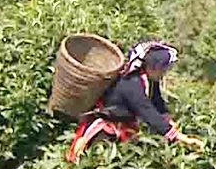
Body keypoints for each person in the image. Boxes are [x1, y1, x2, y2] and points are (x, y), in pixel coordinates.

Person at [65, 40, 204, 162]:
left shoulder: (150, 80)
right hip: (106, 131)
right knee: (99, 166)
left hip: (125, 129)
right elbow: (149, 113)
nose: (165, 72)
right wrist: (183, 138)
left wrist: (170, 122)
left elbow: (157, 103)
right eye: (164, 68)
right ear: (152, 67)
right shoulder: (131, 84)